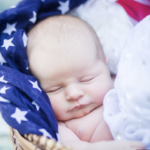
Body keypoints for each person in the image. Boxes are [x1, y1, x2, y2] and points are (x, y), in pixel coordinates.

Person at [26, 15, 145, 150]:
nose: (74, 94)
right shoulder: (61, 126)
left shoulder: (121, 82)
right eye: (54, 89)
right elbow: (71, 146)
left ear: (106, 66)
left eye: (86, 79)